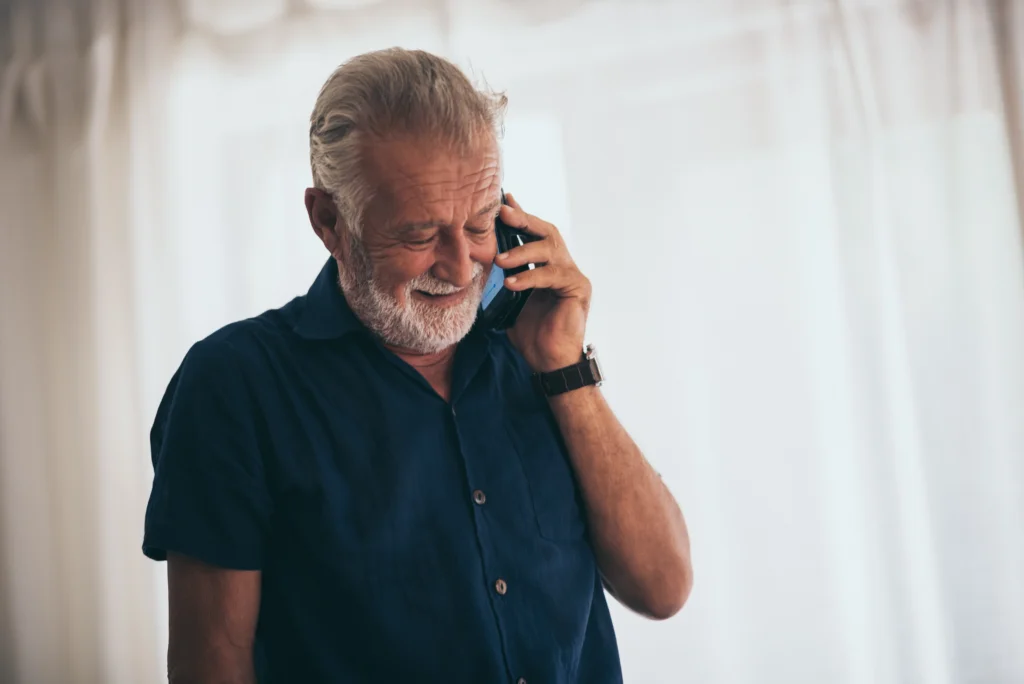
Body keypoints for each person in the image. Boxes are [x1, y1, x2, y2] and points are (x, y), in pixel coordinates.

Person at [143, 47, 692, 684]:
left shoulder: (536, 349)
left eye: (481, 223)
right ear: (329, 221)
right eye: (419, 234)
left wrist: (563, 366)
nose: (461, 268)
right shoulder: (235, 385)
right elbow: (211, 664)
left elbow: (663, 587)